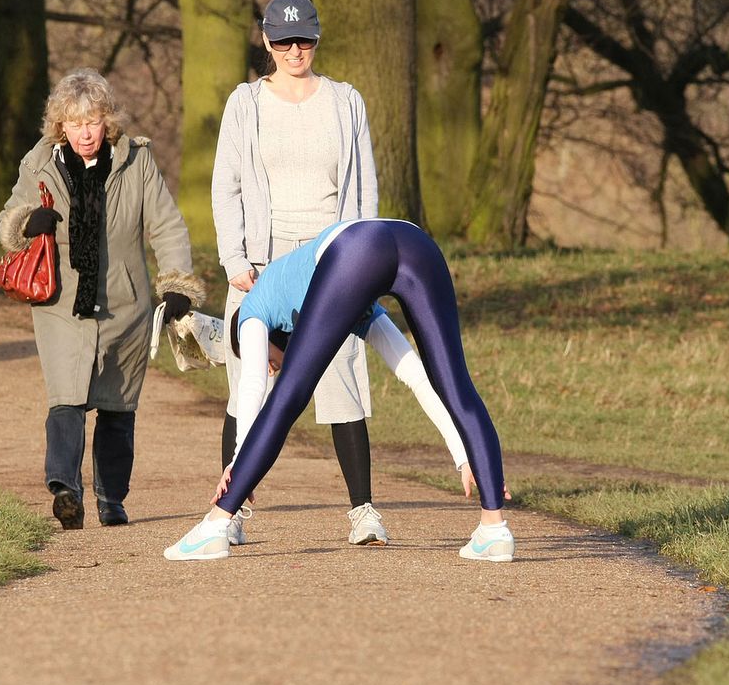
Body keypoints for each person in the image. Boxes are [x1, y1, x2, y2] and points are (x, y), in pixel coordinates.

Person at [164, 218, 514, 563]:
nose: (271, 366)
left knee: (288, 397)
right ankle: (494, 529)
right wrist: (464, 455)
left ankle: (215, 526)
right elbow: (416, 377)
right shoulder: (346, 302)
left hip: (357, 249)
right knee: (456, 384)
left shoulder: (253, 309)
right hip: (415, 242)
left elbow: (253, 386)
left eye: (269, 359)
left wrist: (239, 463)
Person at [211, 0, 386, 548]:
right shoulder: (245, 104)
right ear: (266, 41)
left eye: (303, 40)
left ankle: (363, 511)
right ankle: (231, 512)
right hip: (262, 263)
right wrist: (235, 259)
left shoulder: (345, 102)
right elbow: (226, 187)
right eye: (283, 41)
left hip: (332, 259)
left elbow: (364, 190)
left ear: (316, 39)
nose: (294, 50)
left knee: (342, 379)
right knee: (248, 388)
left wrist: (365, 263)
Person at [0, 68, 204, 530]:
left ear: (107, 121)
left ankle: (112, 498)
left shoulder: (137, 161)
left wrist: (176, 284)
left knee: (117, 407)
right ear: (60, 126)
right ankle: (65, 491)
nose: (85, 133)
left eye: (92, 122)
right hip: (60, 303)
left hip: (126, 305)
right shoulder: (38, 162)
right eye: (75, 124)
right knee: (65, 399)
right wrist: (27, 222)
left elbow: (166, 225)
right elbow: (7, 219)